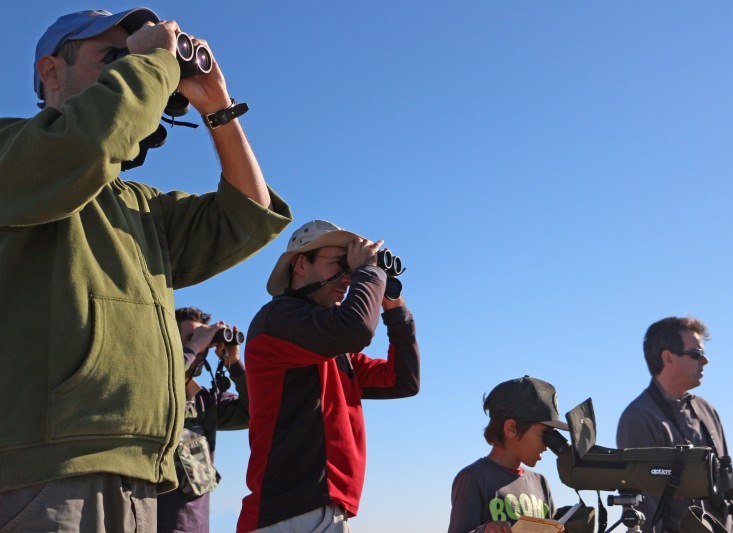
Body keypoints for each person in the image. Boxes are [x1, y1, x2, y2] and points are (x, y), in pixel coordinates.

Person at [0, 7, 291, 532]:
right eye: (112, 57)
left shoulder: (142, 206)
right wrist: (155, 59)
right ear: (51, 73)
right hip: (45, 468)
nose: (136, 66)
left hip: (143, 474)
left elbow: (248, 211)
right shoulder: (12, 151)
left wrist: (217, 106)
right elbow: (85, 145)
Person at [236, 219, 420, 533]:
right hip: (289, 512)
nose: (348, 278)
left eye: (351, 268)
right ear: (299, 264)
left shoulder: (335, 349)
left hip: (320, 511)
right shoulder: (276, 319)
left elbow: (402, 380)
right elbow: (355, 329)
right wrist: (370, 272)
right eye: (340, 264)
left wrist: (395, 307)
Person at [616, 317, 733, 532]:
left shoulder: (707, 410)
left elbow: (730, 495)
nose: (705, 361)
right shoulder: (638, 418)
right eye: (697, 354)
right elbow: (645, 512)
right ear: (668, 358)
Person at [157, 307, 250, 533]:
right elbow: (164, 383)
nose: (200, 346)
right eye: (190, 338)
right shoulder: (153, 393)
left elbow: (257, 411)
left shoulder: (205, 401)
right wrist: (193, 347)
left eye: (202, 338)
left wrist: (234, 363)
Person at [448, 376, 568, 533]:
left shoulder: (541, 483)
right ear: (511, 429)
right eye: (545, 434)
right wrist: (484, 531)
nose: (548, 445)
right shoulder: (473, 478)